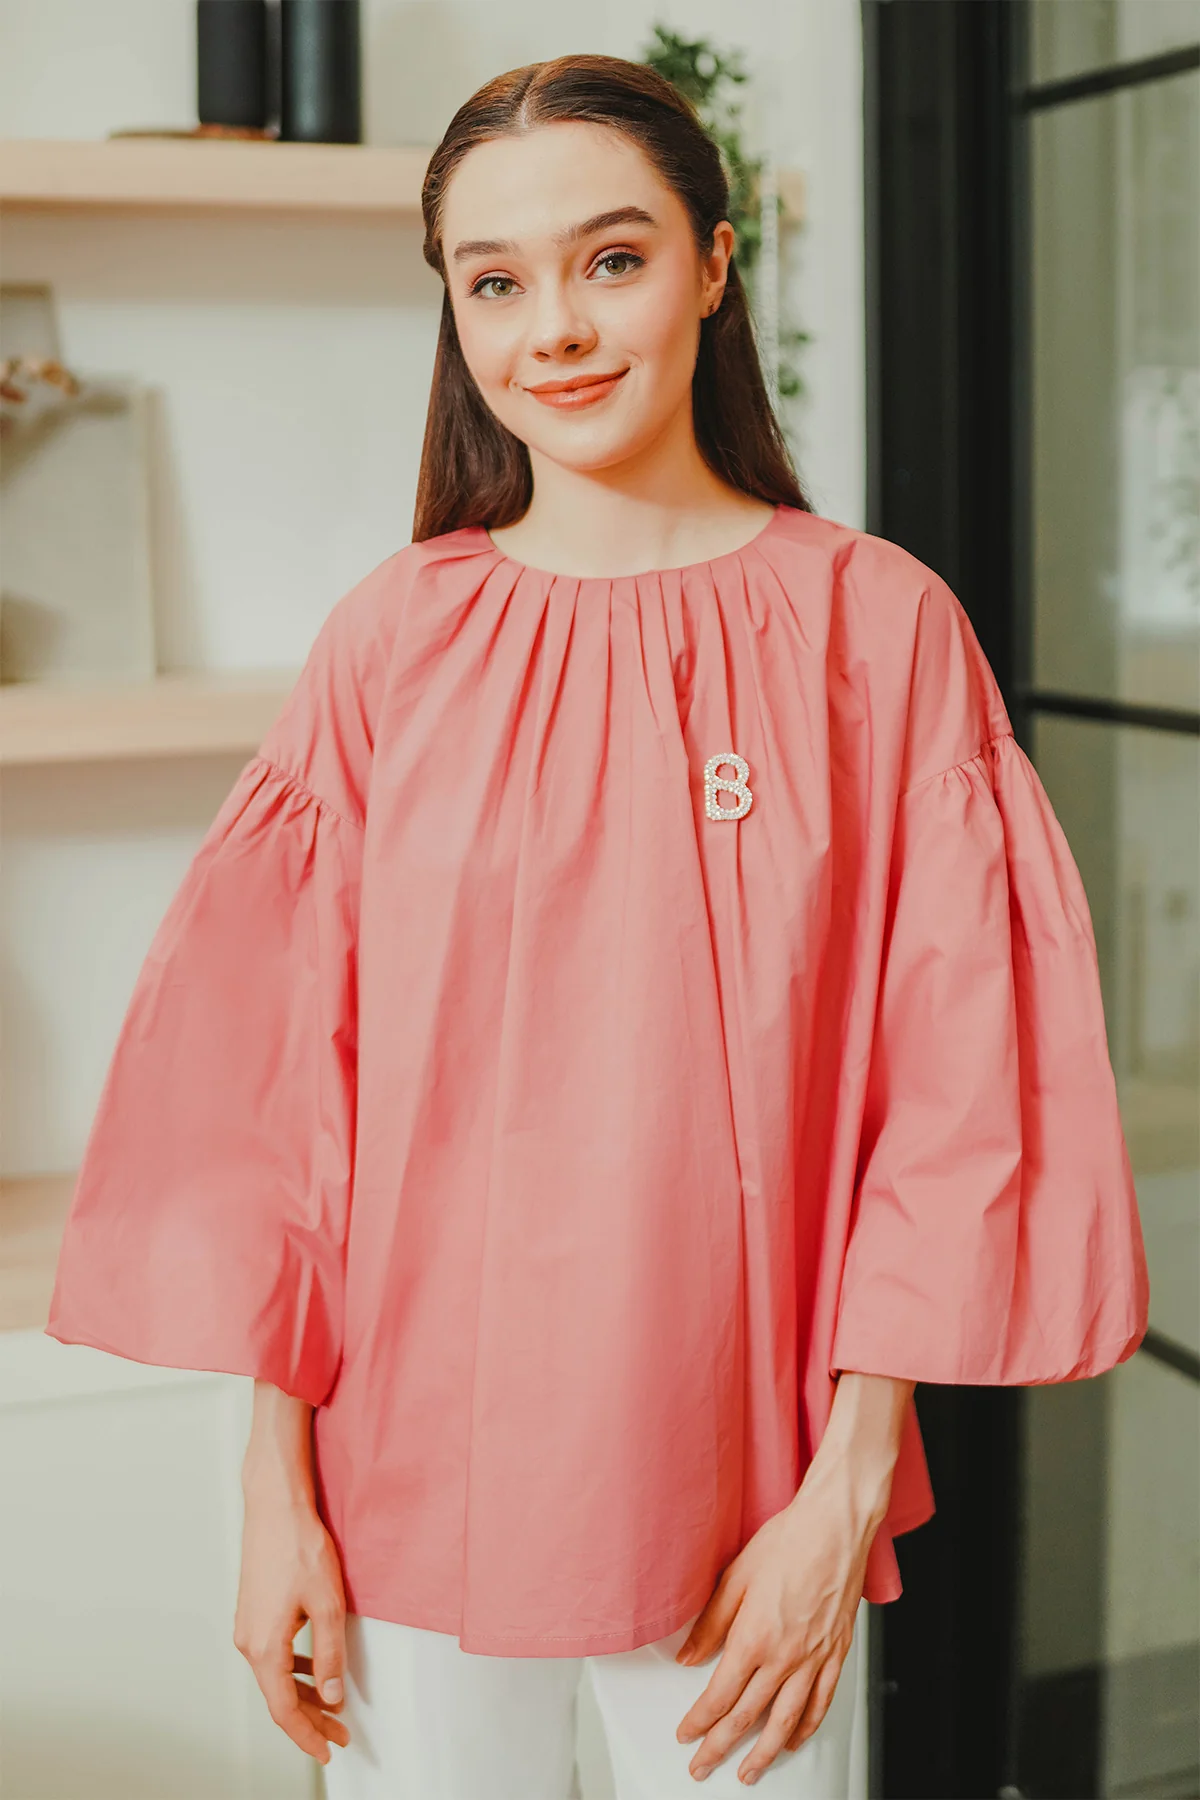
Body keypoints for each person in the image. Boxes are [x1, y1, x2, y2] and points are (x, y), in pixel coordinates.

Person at [46, 52, 1149, 1800]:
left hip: (750, 1489)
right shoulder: (392, 642)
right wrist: (276, 1496)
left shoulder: (878, 631)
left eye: (610, 259)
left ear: (713, 264)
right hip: (402, 1476)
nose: (552, 327)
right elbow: (288, 1111)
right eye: (494, 283)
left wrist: (848, 1487)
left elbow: (953, 1103)